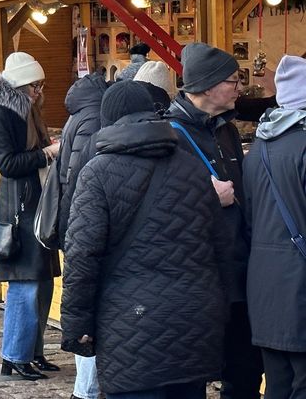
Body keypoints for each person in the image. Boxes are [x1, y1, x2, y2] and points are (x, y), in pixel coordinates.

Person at [62, 81, 228, 398]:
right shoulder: (192, 167)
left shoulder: (97, 172)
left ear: (108, 120)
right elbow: (220, 244)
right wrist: (219, 311)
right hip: (193, 319)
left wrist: (76, 324)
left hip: (130, 324)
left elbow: (82, 255)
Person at [164, 42, 262, 398]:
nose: (240, 88)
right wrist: (207, 197)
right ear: (206, 86)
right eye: (233, 81)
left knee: (244, 370)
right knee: (191, 379)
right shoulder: (169, 136)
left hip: (239, 270)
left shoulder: (227, 130)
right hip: (198, 278)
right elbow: (159, 209)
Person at [0, 51, 61, 380]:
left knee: (41, 283)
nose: (38, 91)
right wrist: (47, 153)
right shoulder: (1, 115)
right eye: (33, 86)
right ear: (19, 86)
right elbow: (8, 164)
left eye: (40, 85)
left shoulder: (28, 110)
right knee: (25, 285)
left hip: (36, 204)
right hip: (20, 208)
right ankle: (15, 355)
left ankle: (32, 352)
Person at [243, 55, 306, 399]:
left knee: (278, 382)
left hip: (264, 283)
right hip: (299, 283)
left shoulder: (258, 149)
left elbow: (250, 219)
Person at [54, 71, 107, 399]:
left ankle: (86, 388)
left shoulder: (78, 115)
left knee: (82, 300)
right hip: (83, 221)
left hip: (75, 220)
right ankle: (86, 389)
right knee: (86, 304)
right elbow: (82, 176)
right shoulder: (94, 119)